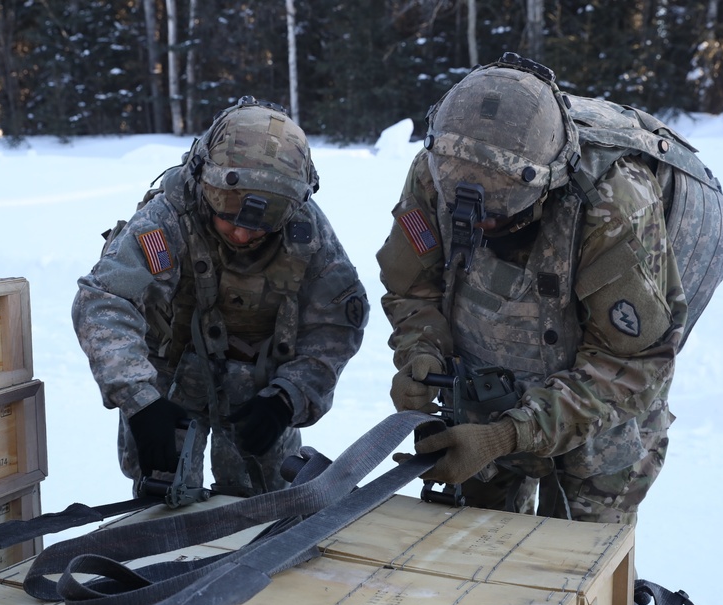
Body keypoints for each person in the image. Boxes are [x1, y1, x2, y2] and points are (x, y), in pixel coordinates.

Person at [377, 55, 687, 524]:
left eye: (497, 214)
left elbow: (633, 364)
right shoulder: (439, 170)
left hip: (598, 423)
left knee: (579, 571)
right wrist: (422, 354)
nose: (478, 225)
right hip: (484, 393)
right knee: (473, 550)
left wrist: (510, 435)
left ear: (546, 185)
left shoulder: (612, 204)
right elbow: (411, 286)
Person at [73, 96, 369, 497]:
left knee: (266, 504)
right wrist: (140, 400)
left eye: (262, 225)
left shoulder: (306, 232)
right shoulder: (168, 218)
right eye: (228, 214)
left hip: (259, 386)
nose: (243, 234)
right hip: (170, 379)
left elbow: (336, 323)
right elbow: (105, 301)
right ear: (204, 183)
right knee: (163, 503)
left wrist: (289, 396)